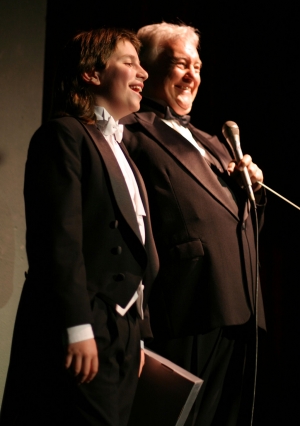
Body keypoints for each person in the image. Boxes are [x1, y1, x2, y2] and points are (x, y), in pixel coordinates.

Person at [0, 28, 158, 426]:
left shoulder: (124, 152)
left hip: (122, 329)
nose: (143, 74)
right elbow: (59, 240)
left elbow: (136, 249)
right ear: (91, 73)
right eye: (129, 63)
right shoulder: (64, 135)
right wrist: (77, 324)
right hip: (86, 319)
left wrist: (136, 330)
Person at [121, 22, 266, 426]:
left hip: (239, 300)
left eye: (197, 66)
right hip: (185, 301)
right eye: (180, 64)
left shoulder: (214, 141)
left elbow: (238, 220)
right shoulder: (129, 133)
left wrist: (253, 189)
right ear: (147, 70)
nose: (192, 76)